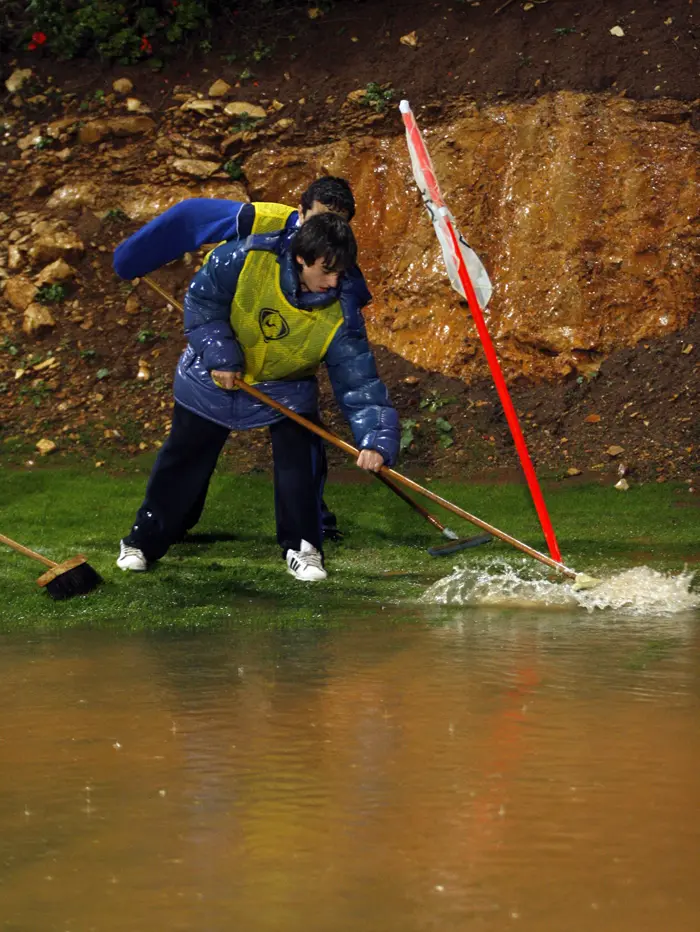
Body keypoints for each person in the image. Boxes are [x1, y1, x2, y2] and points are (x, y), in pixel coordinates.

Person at [116, 212, 400, 581]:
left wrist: (374, 439)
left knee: (301, 464)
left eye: (340, 273)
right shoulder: (242, 258)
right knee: (182, 460)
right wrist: (221, 356)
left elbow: (358, 381)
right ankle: (143, 539)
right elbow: (202, 305)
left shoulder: (342, 310)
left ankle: (304, 548)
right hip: (212, 378)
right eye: (326, 271)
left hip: (286, 388)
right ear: (301, 258)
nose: (332, 282)